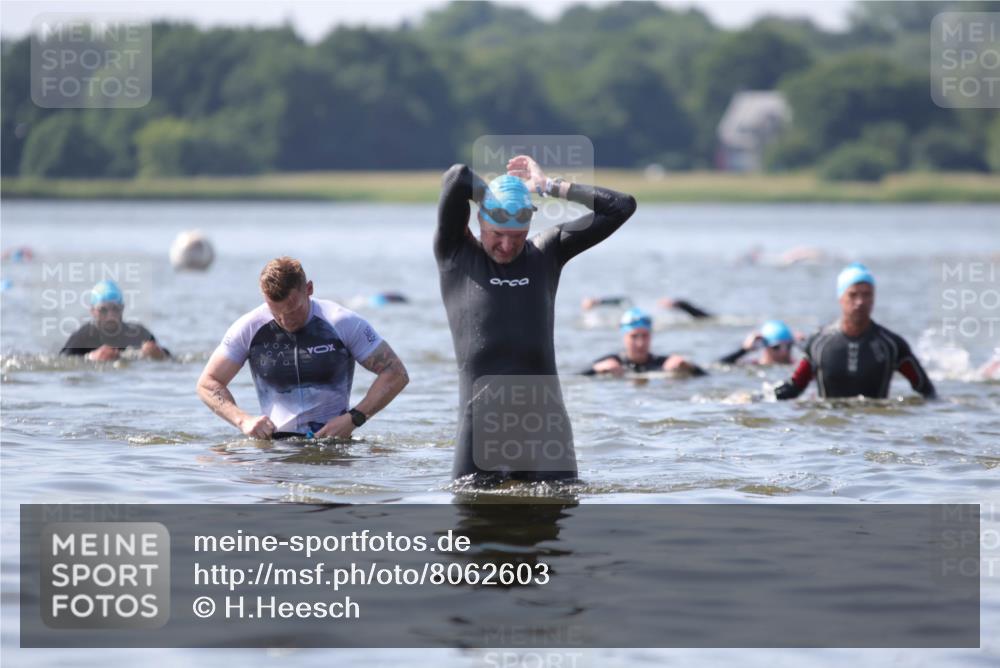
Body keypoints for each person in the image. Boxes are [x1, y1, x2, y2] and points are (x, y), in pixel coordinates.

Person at [437, 154, 636, 482]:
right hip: (480, 425)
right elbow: (457, 177)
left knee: (554, 516)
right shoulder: (456, 255)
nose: (506, 245)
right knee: (473, 523)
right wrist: (500, 195)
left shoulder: (546, 252)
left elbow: (622, 206)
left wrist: (549, 186)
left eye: (517, 236)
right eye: (497, 233)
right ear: (480, 221)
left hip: (546, 425)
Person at [197, 257, 409, 439]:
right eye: (276, 313)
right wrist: (242, 420)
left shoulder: (342, 322)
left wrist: (355, 418)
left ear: (309, 289)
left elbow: (395, 372)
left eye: (293, 310)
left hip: (332, 448)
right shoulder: (249, 327)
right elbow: (208, 383)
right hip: (275, 450)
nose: (286, 321)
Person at [775, 264, 936, 400]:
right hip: (829, 431)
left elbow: (926, 390)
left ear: (874, 298)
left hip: (876, 433)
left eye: (867, 295)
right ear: (841, 297)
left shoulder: (892, 345)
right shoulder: (819, 343)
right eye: (853, 295)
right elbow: (794, 387)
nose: (860, 302)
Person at [60, 280, 169, 361]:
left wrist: (159, 355)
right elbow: (61, 361)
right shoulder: (82, 336)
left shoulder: (138, 334)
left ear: (122, 309)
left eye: (115, 309)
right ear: (92, 311)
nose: (111, 315)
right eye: (103, 310)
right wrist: (90, 358)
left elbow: (172, 359)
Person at [584, 308, 706, 377]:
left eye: (645, 336)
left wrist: (688, 366)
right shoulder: (612, 362)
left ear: (651, 336)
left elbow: (706, 377)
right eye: (634, 336)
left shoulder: (662, 362)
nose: (640, 343)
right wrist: (596, 369)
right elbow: (574, 378)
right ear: (624, 337)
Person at [719, 319, 796, 366]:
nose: (784, 352)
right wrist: (744, 350)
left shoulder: (795, 365)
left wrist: (806, 348)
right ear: (764, 346)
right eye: (776, 347)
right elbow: (719, 365)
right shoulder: (753, 365)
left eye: (789, 346)